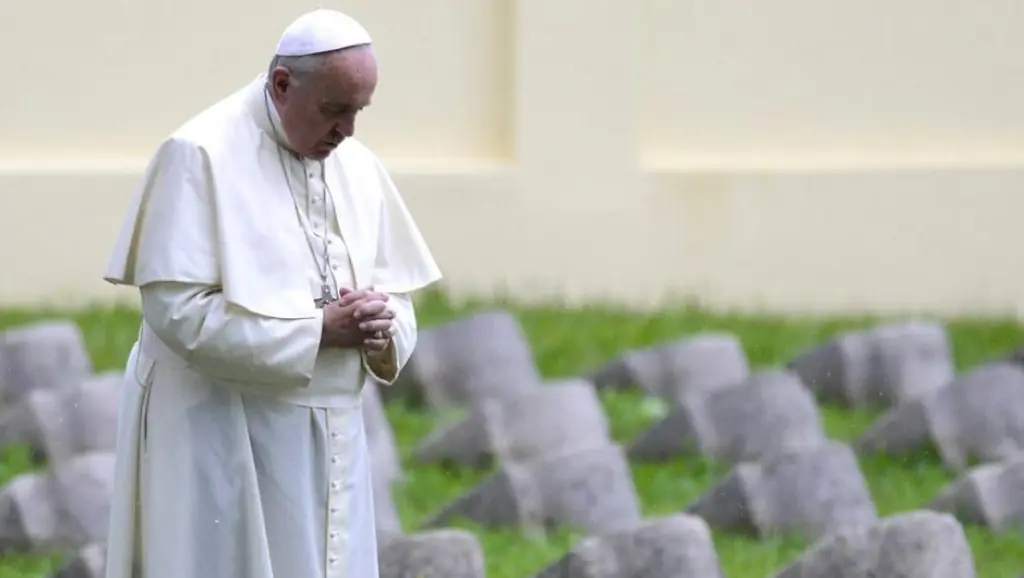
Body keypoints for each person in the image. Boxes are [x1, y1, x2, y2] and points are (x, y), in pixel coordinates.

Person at [100, 8, 441, 578]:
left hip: (331, 434)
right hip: (220, 427)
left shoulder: (356, 166)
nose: (348, 131)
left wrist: (382, 327)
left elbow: (398, 293)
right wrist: (318, 331)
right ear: (283, 85)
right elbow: (176, 313)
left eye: (359, 112)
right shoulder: (198, 154)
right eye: (335, 110)